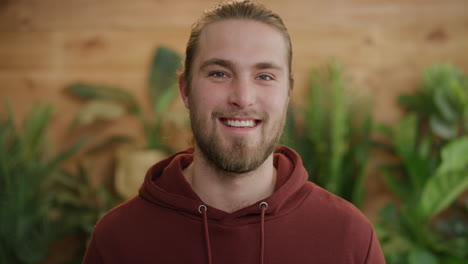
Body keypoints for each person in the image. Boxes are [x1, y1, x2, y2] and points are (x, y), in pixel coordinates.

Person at [83, 1, 385, 263]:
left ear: (287, 94)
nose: (242, 96)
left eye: (264, 76)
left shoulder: (348, 236)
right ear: (186, 90)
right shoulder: (118, 239)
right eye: (219, 73)